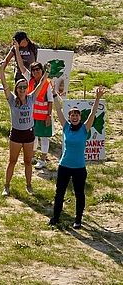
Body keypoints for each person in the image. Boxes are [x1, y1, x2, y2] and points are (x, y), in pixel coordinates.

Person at [49, 85, 106, 229]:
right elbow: (58, 111)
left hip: (79, 168)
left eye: (77, 115)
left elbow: (93, 113)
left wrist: (97, 98)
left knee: (79, 194)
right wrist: (54, 94)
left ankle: (78, 220)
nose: (74, 117)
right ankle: (55, 218)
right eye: (72, 115)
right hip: (64, 166)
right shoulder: (66, 127)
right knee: (59, 193)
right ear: (69, 117)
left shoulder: (84, 128)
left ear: (80, 117)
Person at [0, 60, 50, 196]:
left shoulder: (31, 97)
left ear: (27, 88)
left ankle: (29, 185)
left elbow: (41, 84)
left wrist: (47, 72)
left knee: (28, 161)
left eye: (24, 87)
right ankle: (6, 186)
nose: (22, 90)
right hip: (16, 134)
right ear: (16, 89)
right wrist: (2, 70)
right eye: (20, 87)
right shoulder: (12, 99)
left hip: (29, 134)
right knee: (12, 161)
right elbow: (4, 84)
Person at [15, 48, 53, 169]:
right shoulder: (30, 80)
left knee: (44, 138)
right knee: (33, 137)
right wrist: (16, 49)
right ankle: (32, 156)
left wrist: (49, 116)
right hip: (32, 115)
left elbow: (50, 101)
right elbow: (21, 66)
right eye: (34, 70)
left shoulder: (47, 83)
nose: (36, 72)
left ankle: (42, 160)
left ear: (42, 71)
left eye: (38, 69)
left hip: (43, 116)